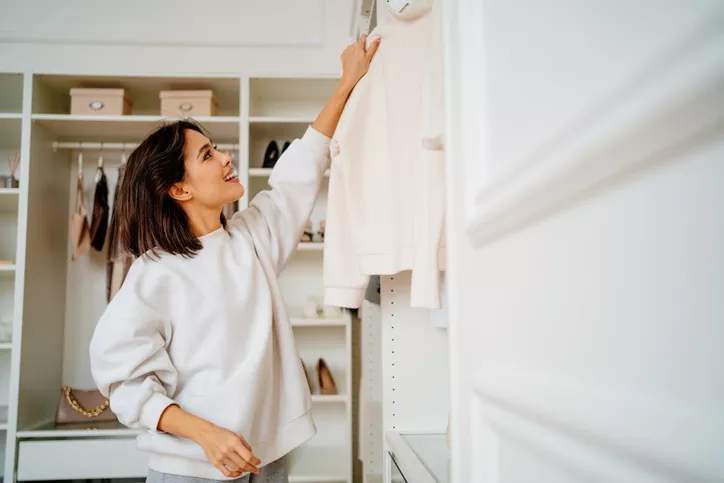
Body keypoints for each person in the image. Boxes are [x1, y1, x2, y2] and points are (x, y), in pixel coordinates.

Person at [89, 35, 380, 483]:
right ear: (179, 189)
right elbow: (123, 381)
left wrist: (346, 84)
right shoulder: (154, 273)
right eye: (207, 155)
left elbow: (297, 174)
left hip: (265, 462)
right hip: (190, 471)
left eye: (216, 148)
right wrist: (205, 434)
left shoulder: (252, 238)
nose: (226, 158)